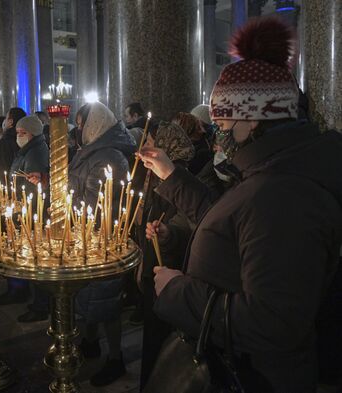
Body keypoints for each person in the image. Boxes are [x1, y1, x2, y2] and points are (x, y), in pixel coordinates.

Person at [139, 17, 342, 392]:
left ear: (251, 119)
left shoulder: (286, 194)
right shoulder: (269, 173)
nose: (217, 135)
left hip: (250, 378)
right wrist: (172, 175)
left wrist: (178, 291)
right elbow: (230, 221)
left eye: (222, 121)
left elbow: (273, 323)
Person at [70, 101, 137, 387]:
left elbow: (98, 205)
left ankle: (115, 359)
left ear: (93, 124)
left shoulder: (109, 157)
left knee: (106, 301)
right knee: (90, 296)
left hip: (104, 238)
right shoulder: (92, 151)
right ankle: (90, 342)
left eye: (81, 123)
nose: (78, 129)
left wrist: (68, 204)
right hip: (84, 235)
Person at [134, 122, 195, 390]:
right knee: (152, 334)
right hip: (154, 256)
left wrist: (167, 234)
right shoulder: (155, 171)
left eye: (150, 140)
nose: (144, 146)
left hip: (170, 264)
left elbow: (185, 219)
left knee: (164, 341)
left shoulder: (182, 175)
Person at [0, 115, 50, 306]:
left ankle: (37, 302)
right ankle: (23, 293)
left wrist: (21, 207)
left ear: (33, 133)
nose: (18, 137)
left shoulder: (35, 153)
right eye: (17, 133)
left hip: (31, 212)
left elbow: (33, 189)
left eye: (22, 133)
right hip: (23, 209)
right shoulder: (28, 150)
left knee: (33, 256)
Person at [0, 107, 26, 176]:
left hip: (8, 181)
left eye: (6, 118)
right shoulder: (25, 138)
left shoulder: (7, 140)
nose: (4, 121)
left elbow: (1, 166)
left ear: (11, 121)